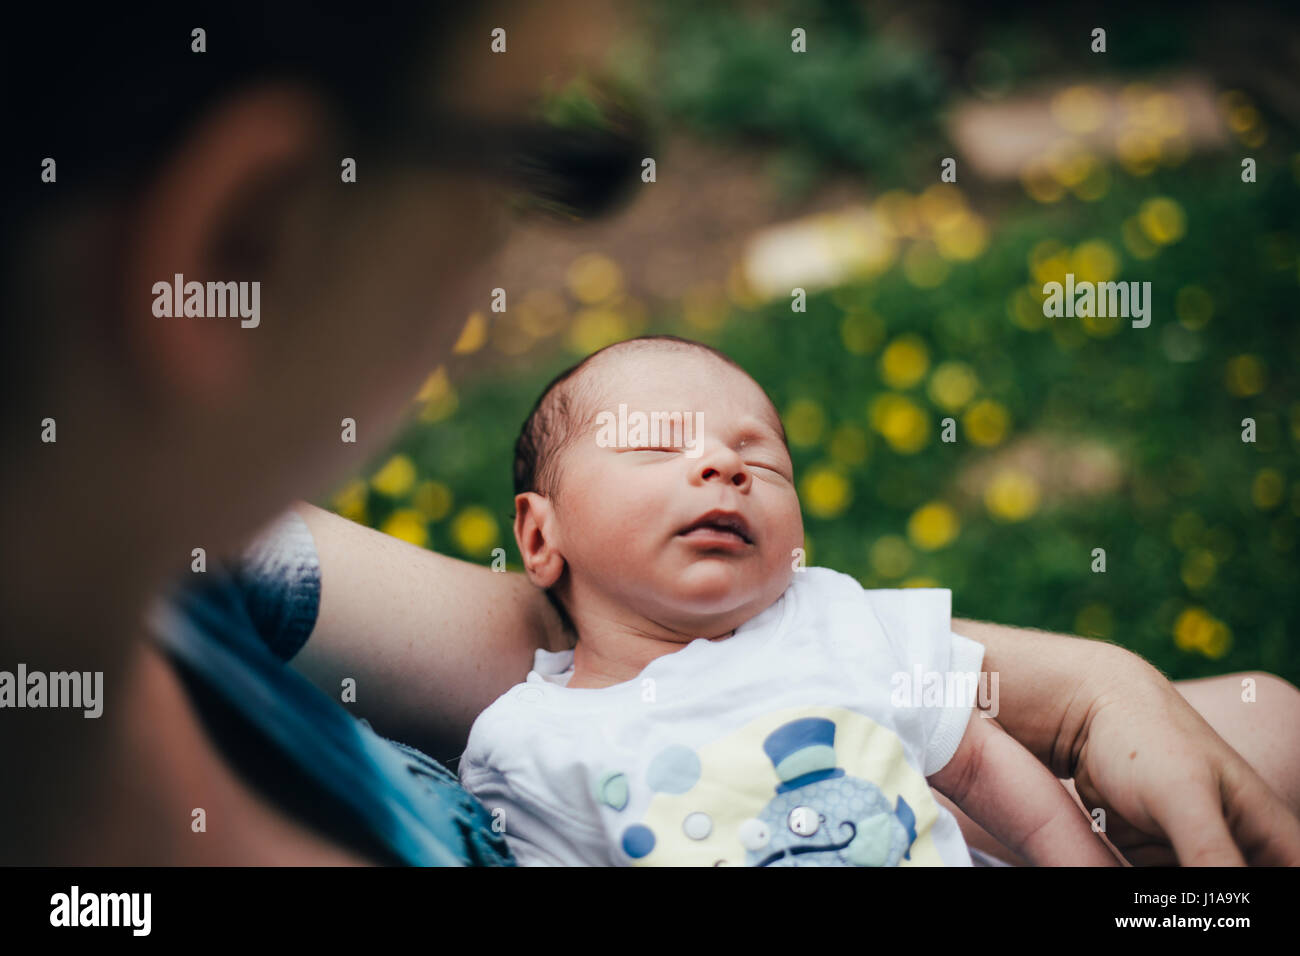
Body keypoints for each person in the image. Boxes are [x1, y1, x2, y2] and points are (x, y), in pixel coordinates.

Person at [2, 1, 1298, 867]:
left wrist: (1080, 688)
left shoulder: (185, 565)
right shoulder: (520, 751)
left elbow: (513, 626)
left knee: (1263, 722)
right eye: (547, 159)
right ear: (246, 237)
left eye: (759, 452)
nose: (724, 464)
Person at [456, 335, 1120, 866]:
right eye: (658, 444)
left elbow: (978, 763)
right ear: (542, 534)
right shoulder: (532, 745)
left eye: (762, 460)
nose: (724, 465)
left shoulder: (839, 620)